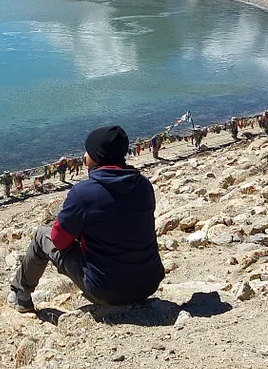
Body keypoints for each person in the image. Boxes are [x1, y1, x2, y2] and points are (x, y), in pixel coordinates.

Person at [9, 125, 164, 313]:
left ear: (97, 156)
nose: (84, 156)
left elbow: (58, 241)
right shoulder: (143, 185)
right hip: (148, 284)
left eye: (88, 151)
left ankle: (21, 295)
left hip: (106, 290)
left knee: (43, 235)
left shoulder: (84, 193)